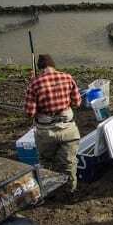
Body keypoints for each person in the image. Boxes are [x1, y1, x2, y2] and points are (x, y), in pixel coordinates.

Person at [24, 54, 81, 195]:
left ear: (40, 68)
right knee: (69, 163)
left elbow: (29, 112)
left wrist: (32, 83)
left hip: (45, 132)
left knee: (46, 163)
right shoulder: (68, 77)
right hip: (68, 129)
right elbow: (77, 102)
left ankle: (50, 191)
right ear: (53, 65)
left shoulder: (34, 83)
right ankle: (70, 192)